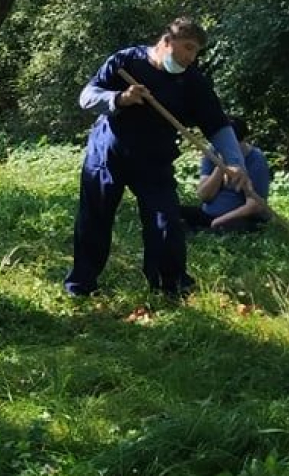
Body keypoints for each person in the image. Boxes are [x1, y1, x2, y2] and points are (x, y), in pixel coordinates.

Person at [64, 17, 247, 298]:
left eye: (195, 51)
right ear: (165, 41)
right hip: (108, 154)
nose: (190, 56)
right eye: (186, 47)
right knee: (94, 219)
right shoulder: (127, 61)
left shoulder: (192, 82)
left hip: (154, 160)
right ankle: (80, 286)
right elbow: (87, 97)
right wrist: (119, 99)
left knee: (166, 221)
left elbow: (217, 125)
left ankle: (170, 287)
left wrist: (235, 161)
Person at [180, 116, 273, 233]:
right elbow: (204, 195)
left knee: (231, 227)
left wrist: (219, 221)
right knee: (172, 212)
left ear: (243, 140)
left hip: (239, 218)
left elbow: (255, 205)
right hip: (209, 214)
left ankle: (205, 230)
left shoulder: (256, 159)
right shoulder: (213, 152)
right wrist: (221, 166)